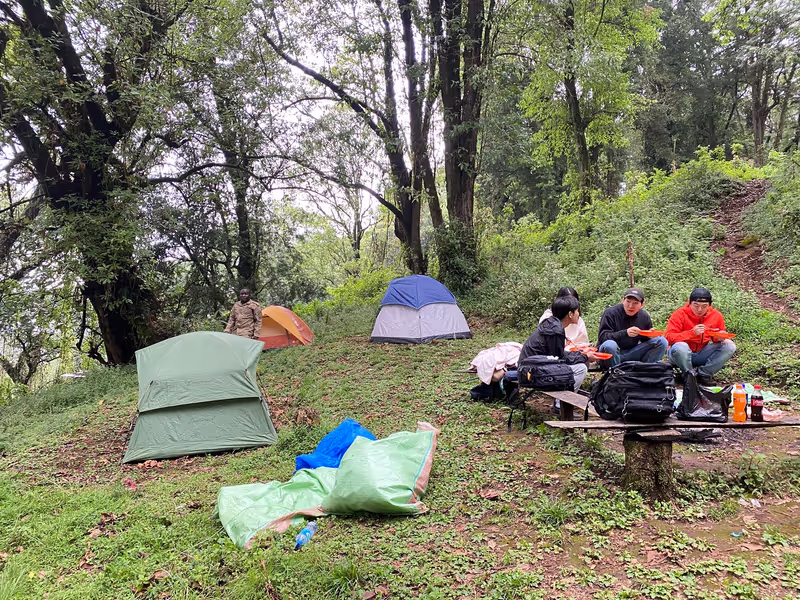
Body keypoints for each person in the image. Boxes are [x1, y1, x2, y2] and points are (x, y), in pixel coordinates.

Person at [519, 295, 597, 393]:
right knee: (581, 369)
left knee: (580, 361)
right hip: (531, 373)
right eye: (577, 311)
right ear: (570, 314)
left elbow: (559, 354)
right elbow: (559, 359)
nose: (578, 314)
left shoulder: (552, 324)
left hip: (530, 368)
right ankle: (562, 402)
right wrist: (585, 357)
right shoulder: (555, 331)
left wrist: (582, 354)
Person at [666, 288, 736, 385]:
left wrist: (720, 338)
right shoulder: (679, 314)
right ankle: (688, 375)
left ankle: (703, 374)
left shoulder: (716, 316)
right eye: (696, 305)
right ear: (689, 303)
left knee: (729, 346)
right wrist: (691, 333)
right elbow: (669, 337)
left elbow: (717, 335)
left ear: (710, 305)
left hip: (700, 353)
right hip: (678, 355)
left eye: (704, 306)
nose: (699, 310)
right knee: (681, 346)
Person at [597, 287, 667, 367]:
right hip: (609, 355)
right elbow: (603, 338)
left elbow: (645, 341)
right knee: (610, 344)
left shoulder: (644, 316)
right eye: (628, 302)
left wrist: (649, 336)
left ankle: (644, 373)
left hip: (630, 353)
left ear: (642, 305)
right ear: (623, 301)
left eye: (635, 303)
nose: (630, 306)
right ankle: (617, 375)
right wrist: (625, 333)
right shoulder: (610, 313)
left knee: (661, 341)